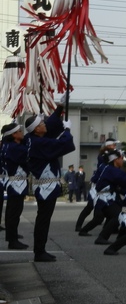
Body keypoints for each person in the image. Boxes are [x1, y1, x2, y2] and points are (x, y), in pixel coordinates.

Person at [25, 107, 76, 262]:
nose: (45, 124)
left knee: (43, 219)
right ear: (36, 129)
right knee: (43, 220)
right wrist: (67, 129)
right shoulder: (38, 143)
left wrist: (59, 109)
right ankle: (39, 251)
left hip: (43, 186)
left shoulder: (31, 139)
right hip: (46, 188)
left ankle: (40, 250)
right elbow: (61, 144)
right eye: (42, 123)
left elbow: (50, 129)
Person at [1, 122, 29, 250]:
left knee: (12, 213)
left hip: (14, 182)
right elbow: (28, 153)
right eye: (19, 131)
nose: (22, 133)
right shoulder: (14, 148)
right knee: (14, 213)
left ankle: (11, 236)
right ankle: (12, 240)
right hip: (16, 183)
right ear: (13, 135)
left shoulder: (7, 145)